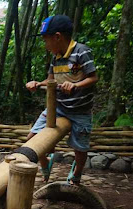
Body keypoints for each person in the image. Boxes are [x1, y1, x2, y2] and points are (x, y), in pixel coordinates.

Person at [25, 15, 98, 185]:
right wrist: (37, 83)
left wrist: (76, 85)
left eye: (46, 40)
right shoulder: (55, 57)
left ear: (57, 37)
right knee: (32, 139)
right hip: (57, 108)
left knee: (80, 148)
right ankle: (45, 165)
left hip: (80, 110)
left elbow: (93, 78)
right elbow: (50, 81)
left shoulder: (82, 51)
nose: (45, 44)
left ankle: (77, 174)